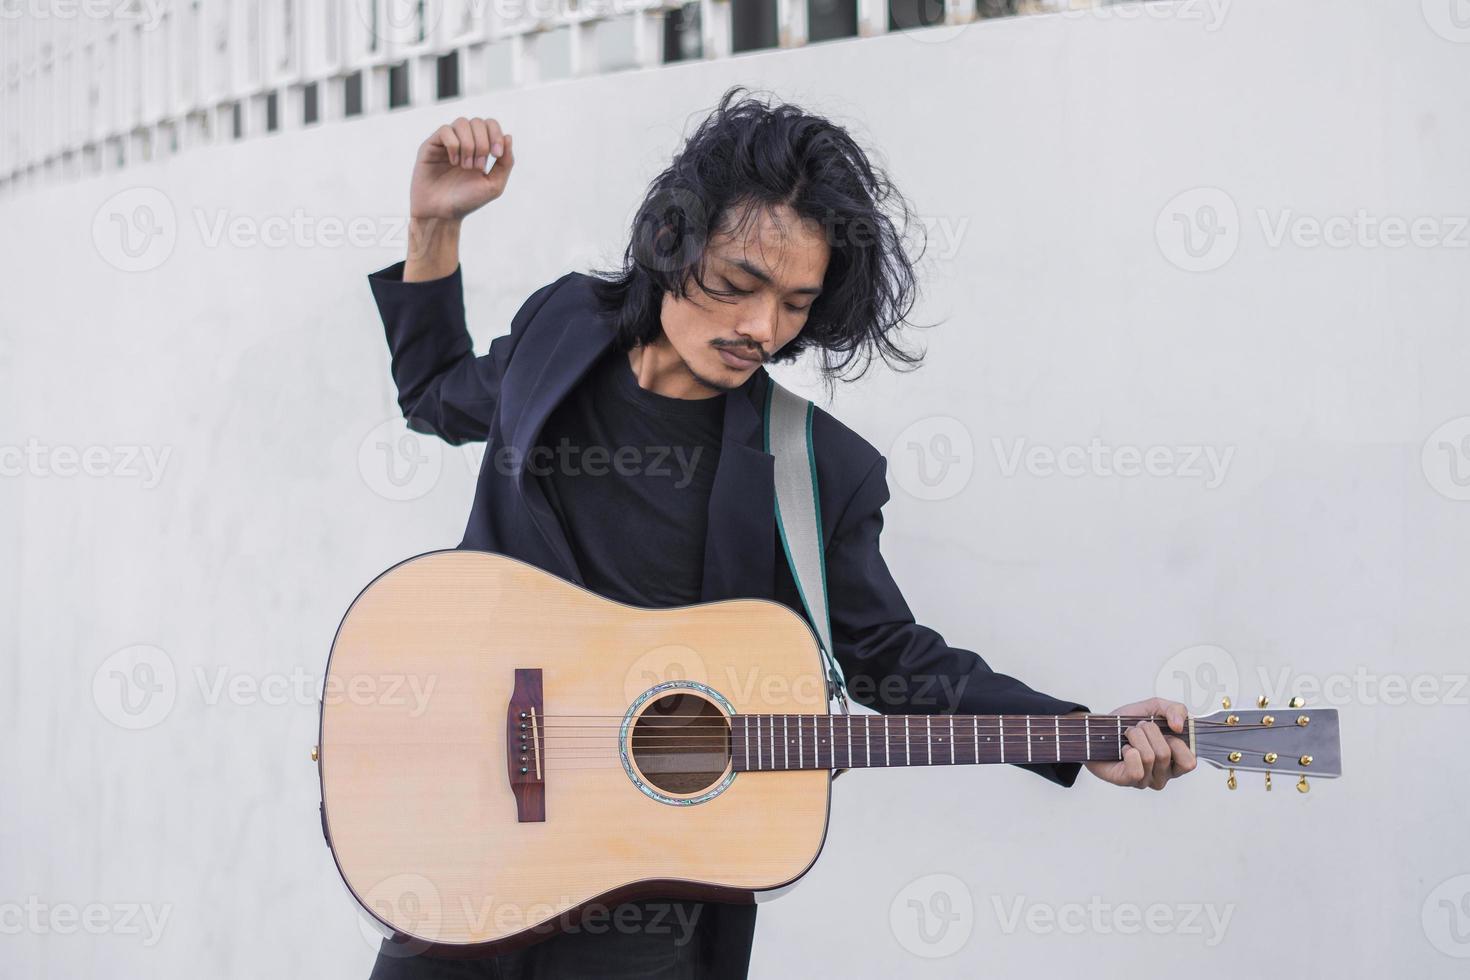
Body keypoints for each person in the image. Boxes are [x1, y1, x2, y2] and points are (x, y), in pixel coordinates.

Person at [363, 85, 1196, 980]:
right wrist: (432, 229)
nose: (761, 328)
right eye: (738, 284)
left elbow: (890, 655)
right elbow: (434, 396)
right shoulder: (560, 326)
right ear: (670, 243)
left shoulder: (815, 469)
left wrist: (1077, 732)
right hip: (472, 840)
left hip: (648, 904)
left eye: (796, 304)